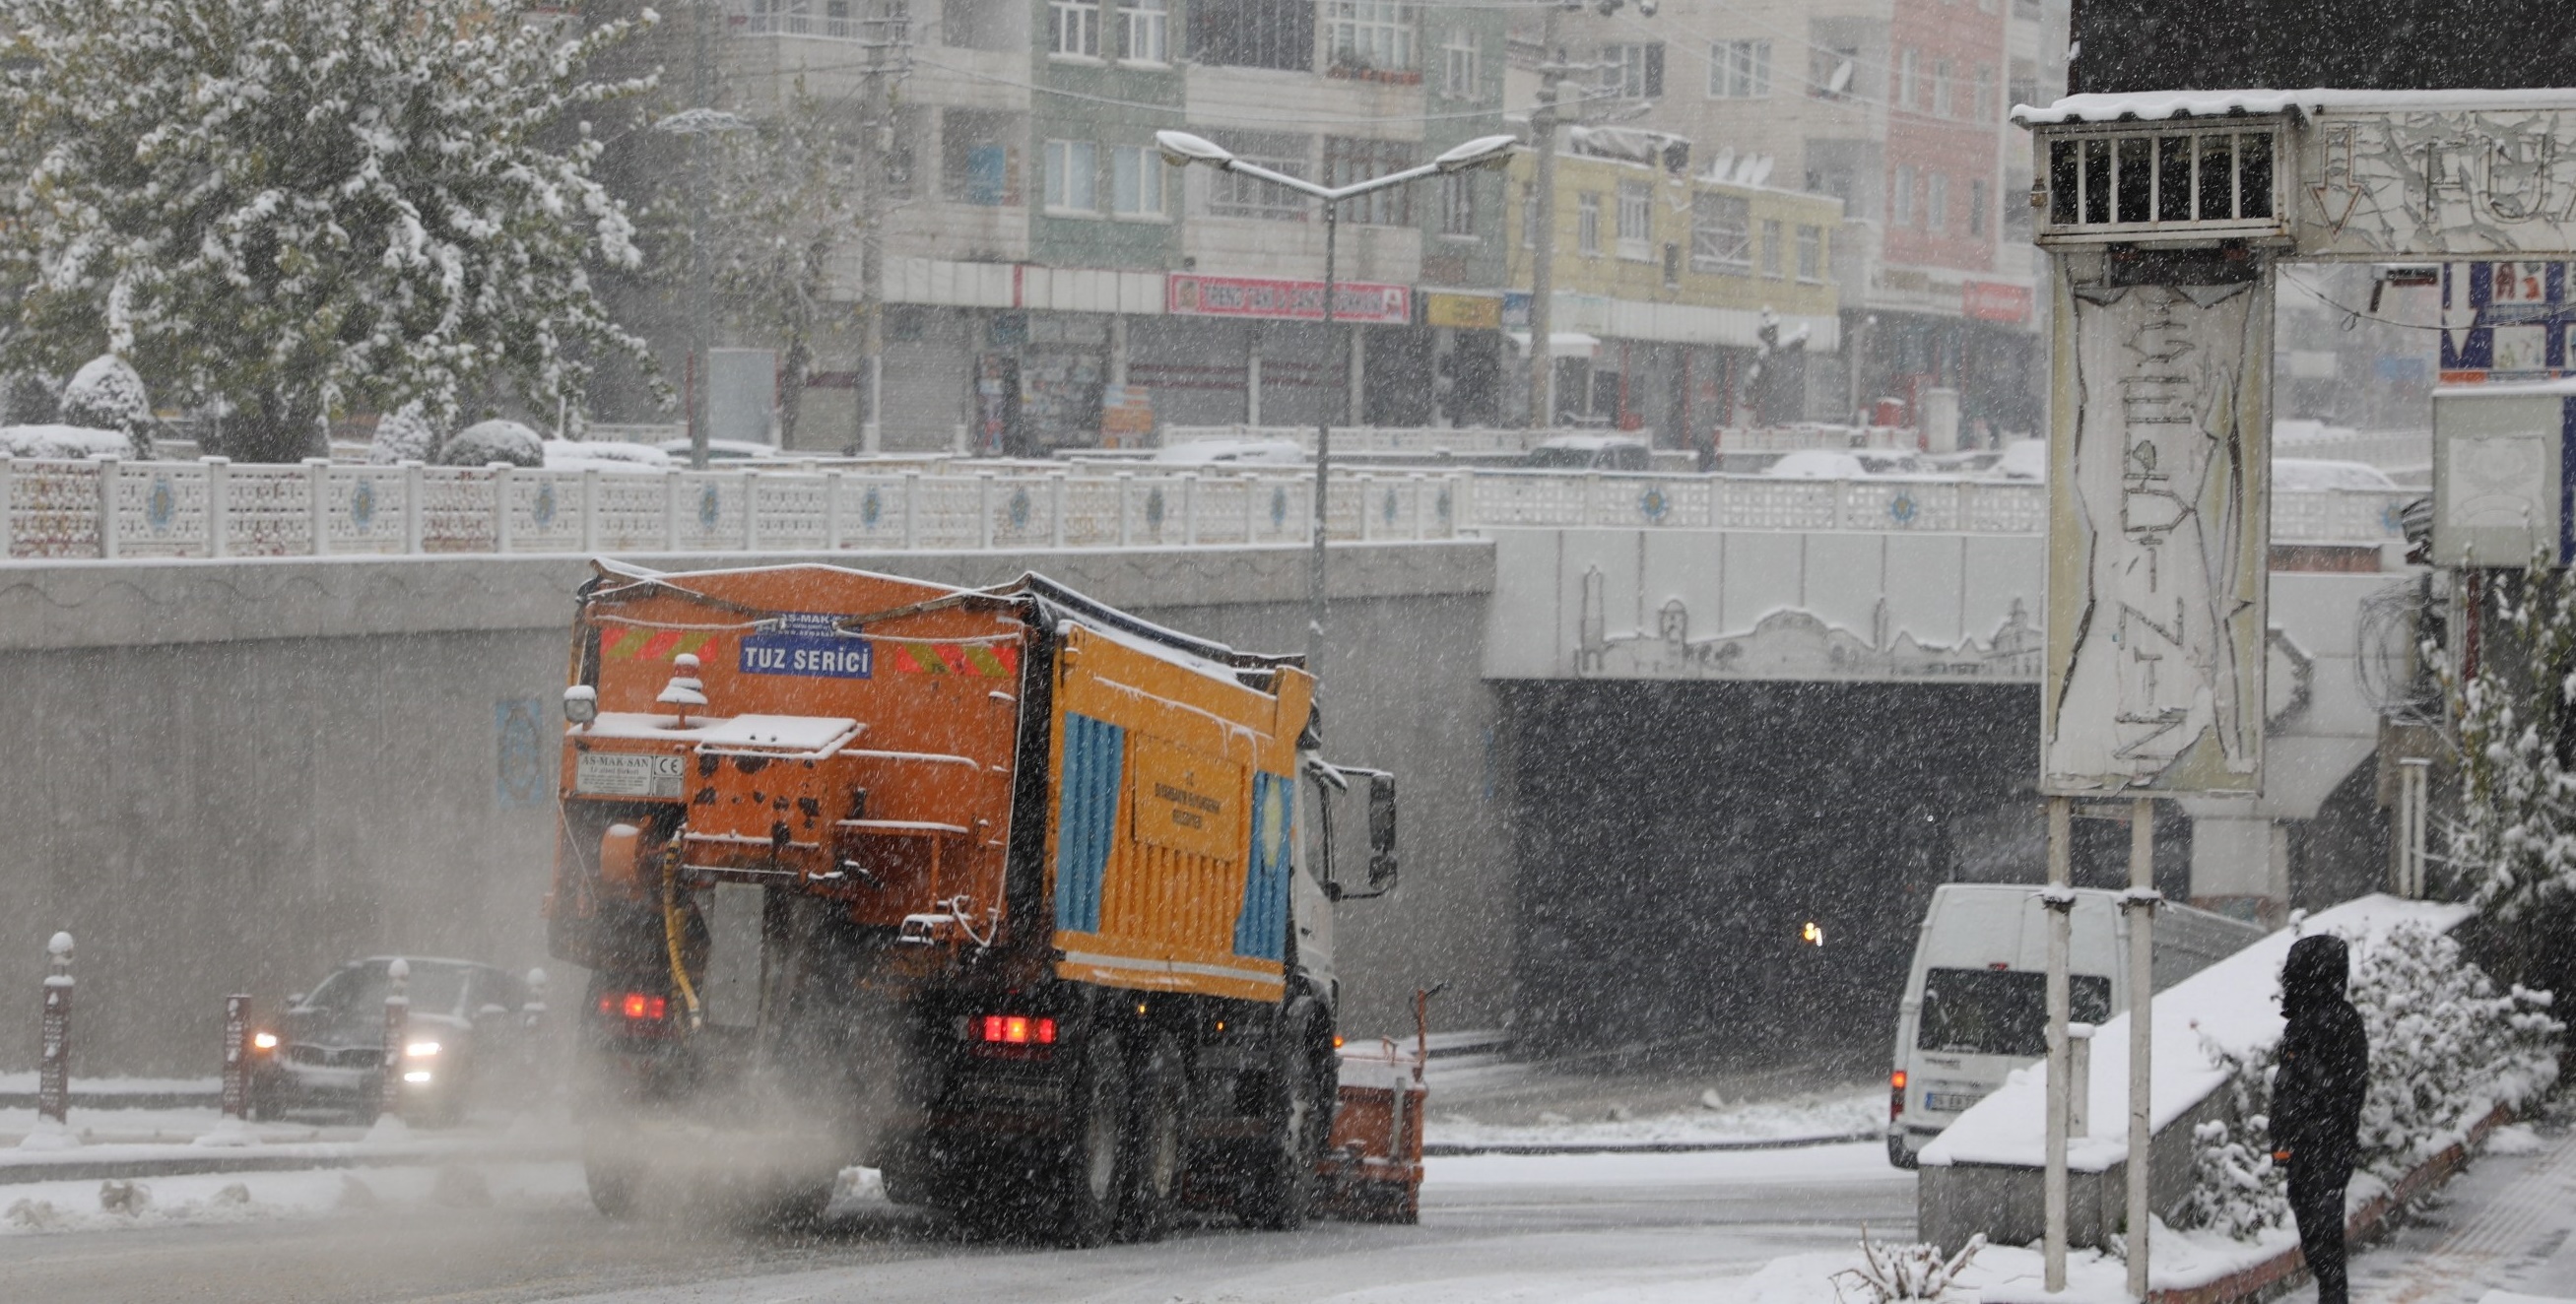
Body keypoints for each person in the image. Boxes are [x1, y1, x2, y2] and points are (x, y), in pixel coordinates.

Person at [2270, 934, 2371, 1304]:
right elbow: (2286, 1087)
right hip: (2303, 1145)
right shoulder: (2300, 1022)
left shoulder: (2341, 1022)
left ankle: (2333, 1295)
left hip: (2328, 1144)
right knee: (2311, 1226)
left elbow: (2346, 1087)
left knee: (2323, 1229)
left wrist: (2315, 1116)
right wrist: (2281, 1138)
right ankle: (2331, 1290)